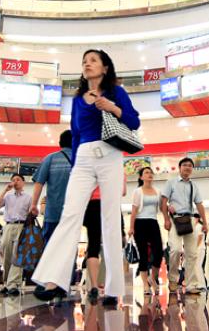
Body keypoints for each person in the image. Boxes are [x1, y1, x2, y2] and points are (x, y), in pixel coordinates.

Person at [32, 49, 140, 307]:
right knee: (70, 215)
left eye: (93, 60)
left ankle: (113, 288)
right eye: (84, 61)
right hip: (83, 157)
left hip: (111, 155)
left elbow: (134, 122)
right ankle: (52, 279)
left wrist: (112, 107)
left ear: (105, 67)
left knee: (111, 219)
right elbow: (76, 132)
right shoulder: (79, 99)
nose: (87, 64)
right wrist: (75, 165)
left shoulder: (116, 92)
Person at [161, 157, 209, 295]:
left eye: (190, 166)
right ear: (179, 167)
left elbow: (199, 204)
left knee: (192, 254)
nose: (187, 167)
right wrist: (166, 219)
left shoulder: (194, 186)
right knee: (175, 250)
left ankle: (191, 284)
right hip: (175, 220)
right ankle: (173, 279)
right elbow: (163, 201)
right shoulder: (171, 182)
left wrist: (205, 223)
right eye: (185, 165)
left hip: (190, 220)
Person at [29, 130, 73, 245]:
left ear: (60, 143)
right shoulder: (79, 159)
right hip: (73, 214)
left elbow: (39, 183)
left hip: (52, 213)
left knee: (48, 248)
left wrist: (34, 204)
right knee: (69, 248)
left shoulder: (50, 158)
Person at [128, 166, 164, 296]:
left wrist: (168, 214)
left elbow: (162, 206)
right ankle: (145, 284)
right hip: (140, 223)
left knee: (159, 251)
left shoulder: (157, 191)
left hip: (153, 222)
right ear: (141, 177)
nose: (150, 174)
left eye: (151, 172)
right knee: (143, 254)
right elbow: (133, 212)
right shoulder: (138, 191)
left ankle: (152, 277)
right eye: (146, 173)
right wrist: (131, 227)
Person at [0, 173, 31, 296]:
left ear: (23, 182)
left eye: (18, 180)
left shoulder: (28, 197)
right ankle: (6, 282)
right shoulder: (8, 196)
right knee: (7, 253)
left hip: (22, 226)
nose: (15, 182)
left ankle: (14, 284)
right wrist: (5, 189)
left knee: (17, 254)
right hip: (8, 226)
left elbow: (31, 213)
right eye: (13, 180)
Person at [193, 214, 207, 290]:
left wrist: (195, 247)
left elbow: (200, 237)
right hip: (197, 249)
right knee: (196, 266)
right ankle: (199, 284)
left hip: (200, 248)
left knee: (198, 266)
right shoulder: (195, 227)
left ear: (197, 219)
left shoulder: (199, 226)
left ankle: (201, 285)